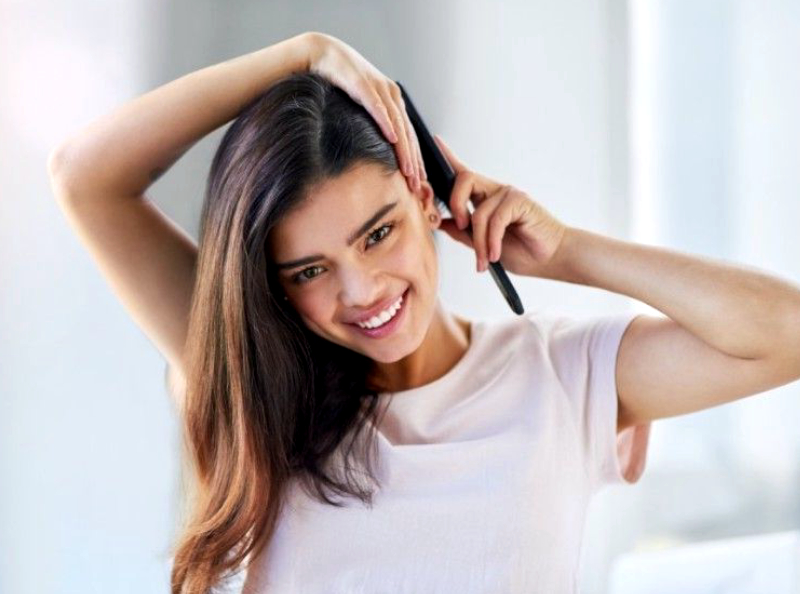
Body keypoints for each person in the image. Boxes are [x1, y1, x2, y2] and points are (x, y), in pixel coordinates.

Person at [47, 31, 800, 594]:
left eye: (378, 234)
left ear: (424, 192)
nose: (363, 290)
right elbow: (85, 178)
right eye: (311, 270)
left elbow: (784, 334)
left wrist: (567, 249)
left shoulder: (561, 375)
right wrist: (303, 55)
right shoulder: (261, 390)